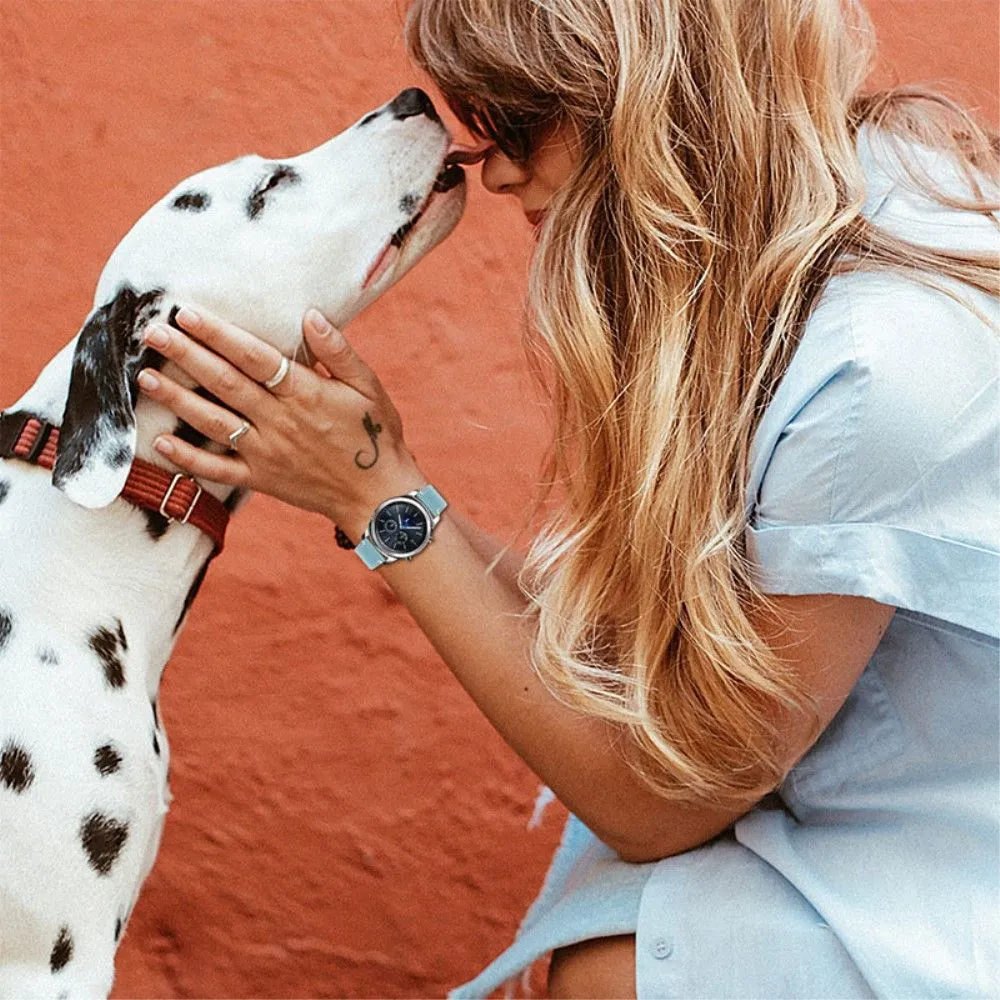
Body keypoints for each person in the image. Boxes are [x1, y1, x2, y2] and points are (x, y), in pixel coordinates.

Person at [133, 0, 999, 996]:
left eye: (520, 113)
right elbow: (630, 657)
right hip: (845, 830)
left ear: (647, 92)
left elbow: (664, 801)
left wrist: (383, 501)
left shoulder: (880, 367)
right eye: (480, 119)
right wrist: (368, 484)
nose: (494, 168)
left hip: (949, 878)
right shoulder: (788, 234)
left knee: (621, 974)